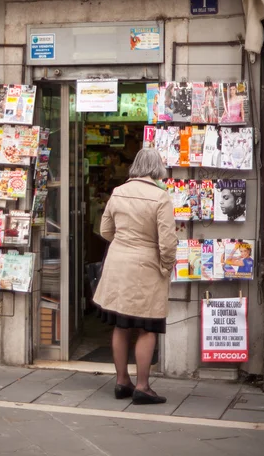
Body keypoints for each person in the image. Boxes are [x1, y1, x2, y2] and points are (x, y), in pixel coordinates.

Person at [93, 149, 177, 405]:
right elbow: (168, 243)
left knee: (121, 324)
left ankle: (121, 382)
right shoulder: (160, 197)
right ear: (158, 169)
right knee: (147, 325)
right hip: (147, 267)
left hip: (118, 264)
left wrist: (124, 244)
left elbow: (105, 229)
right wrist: (166, 266)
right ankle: (142, 386)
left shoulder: (118, 191)